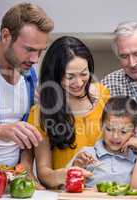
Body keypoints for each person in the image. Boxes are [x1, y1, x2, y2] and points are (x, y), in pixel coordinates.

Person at [0, 3, 53, 187]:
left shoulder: (29, 74)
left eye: (40, 51)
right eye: (29, 49)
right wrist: (1, 132)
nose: (35, 59)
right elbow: (8, 132)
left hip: (14, 187)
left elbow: (26, 136)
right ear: (6, 36)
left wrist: (27, 166)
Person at [23, 36, 110, 188]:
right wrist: (63, 174)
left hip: (104, 190)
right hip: (66, 192)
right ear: (55, 76)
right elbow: (44, 172)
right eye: (70, 77)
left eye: (84, 73)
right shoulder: (41, 113)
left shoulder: (105, 96)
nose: (78, 83)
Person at [67, 96, 137, 189]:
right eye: (109, 129)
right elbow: (65, 186)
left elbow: (135, 188)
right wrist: (78, 166)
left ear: (134, 131)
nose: (115, 136)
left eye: (123, 131)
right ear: (101, 124)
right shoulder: (87, 154)